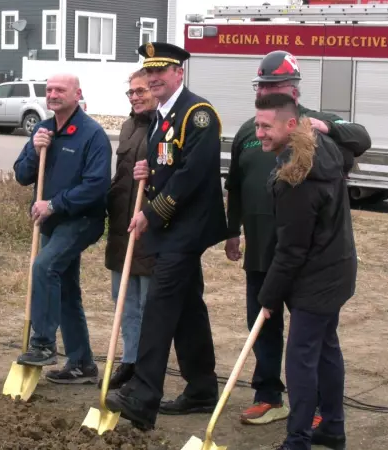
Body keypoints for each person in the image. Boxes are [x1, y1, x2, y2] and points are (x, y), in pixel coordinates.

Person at [224, 50, 371, 426]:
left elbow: (362, 138)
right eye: (263, 85)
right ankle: (268, 395)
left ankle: (319, 409)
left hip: (306, 255)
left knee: (312, 339)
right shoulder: (251, 130)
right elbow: (236, 186)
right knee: (261, 322)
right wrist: (232, 231)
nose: (268, 90)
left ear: (293, 88)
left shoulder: (315, 122)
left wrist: (331, 129)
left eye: (274, 85)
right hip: (262, 245)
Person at [104, 41, 228, 430]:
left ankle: (142, 397)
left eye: (162, 71)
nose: (154, 77)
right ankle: (203, 388)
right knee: (189, 309)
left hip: (186, 230)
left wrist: (150, 213)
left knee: (160, 307)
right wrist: (147, 174)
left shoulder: (199, 114)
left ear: (179, 73)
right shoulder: (161, 115)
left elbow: (192, 175)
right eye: (150, 71)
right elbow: (167, 167)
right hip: (170, 227)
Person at [255, 93, 356, 450]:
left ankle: (297, 439)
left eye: (267, 126)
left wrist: (268, 297)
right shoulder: (325, 149)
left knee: (300, 357)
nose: (260, 133)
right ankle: (332, 428)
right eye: (257, 125)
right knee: (326, 348)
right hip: (338, 269)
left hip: (317, 278)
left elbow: (292, 249)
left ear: (291, 124)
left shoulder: (296, 179)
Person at [12, 73, 112, 385]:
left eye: (60, 90)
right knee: (65, 288)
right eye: (49, 90)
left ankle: (43, 344)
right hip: (51, 223)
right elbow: (21, 175)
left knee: (44, 267)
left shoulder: (92, 135)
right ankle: (82, 363)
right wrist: (34, 149)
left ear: (77, 94)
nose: (53, 94)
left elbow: (96, 186)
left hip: (82, 220)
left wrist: (53, 204)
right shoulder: (43, 129)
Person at [101, 68, 158, 389]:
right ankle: (129, 361)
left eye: (142, 91)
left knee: (148, 304)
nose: (135, 97)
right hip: (123, 230)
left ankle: (147, 368)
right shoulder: (127, 127)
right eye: (131, 92)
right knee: (123, 301)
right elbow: (119, 179)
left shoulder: (165, 129)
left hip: (149, 229)